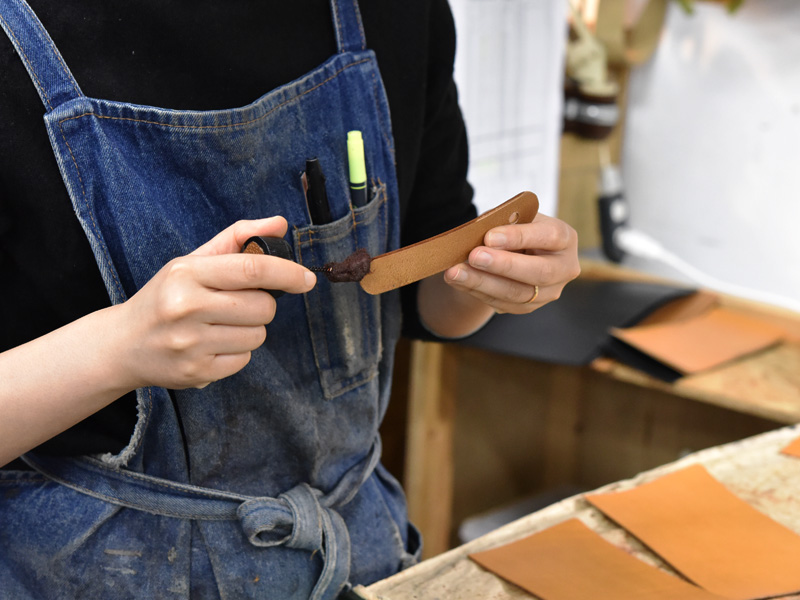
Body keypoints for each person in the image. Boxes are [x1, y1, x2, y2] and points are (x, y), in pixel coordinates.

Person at [0, 0, 579, 598]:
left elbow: (433, 304)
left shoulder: (399, 15)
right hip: (91, 573)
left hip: (356, 554)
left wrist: (498, 277)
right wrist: (118, 348)